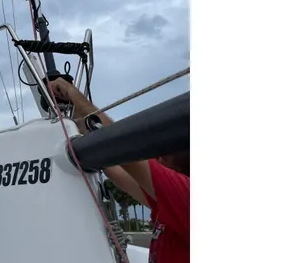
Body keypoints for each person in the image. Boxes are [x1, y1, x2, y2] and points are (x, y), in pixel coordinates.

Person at [49, 77, 189, 263]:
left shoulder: (186, 198)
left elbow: (120, 145)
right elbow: (115, 166)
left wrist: (72, 92)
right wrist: (82, 129)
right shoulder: (167, 204)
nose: (159, 155)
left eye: (168, 149)